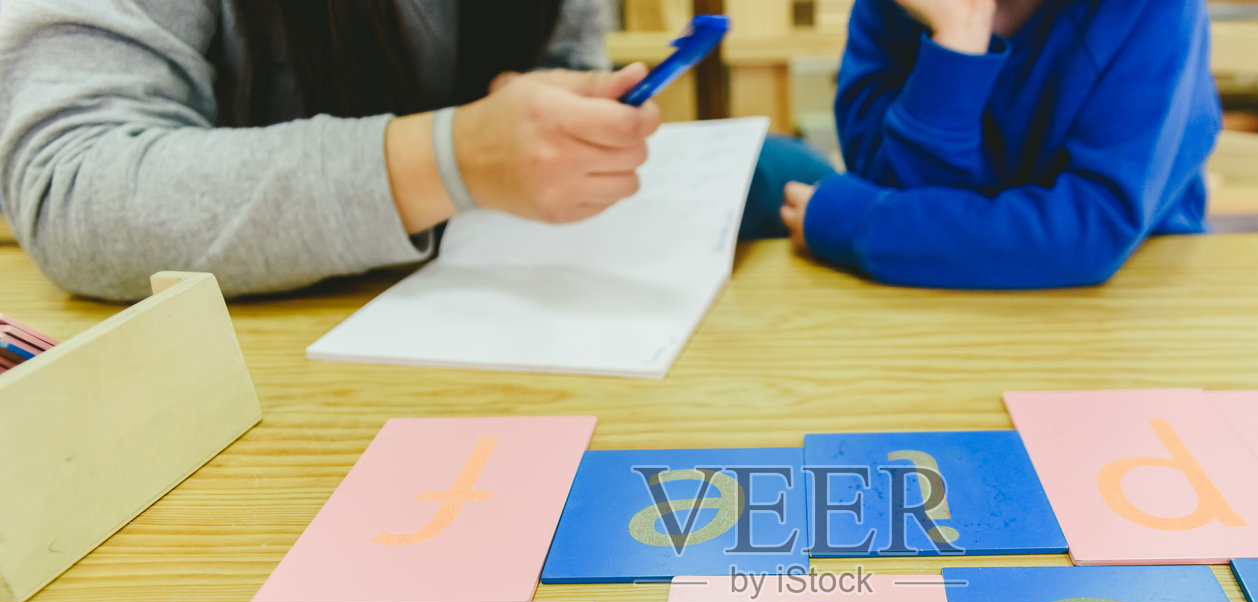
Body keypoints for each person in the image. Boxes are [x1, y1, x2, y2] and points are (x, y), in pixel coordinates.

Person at [0, 0, 830, 303]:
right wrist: (449, 158)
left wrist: (547, 106)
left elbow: (563, 50)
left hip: (497, 331)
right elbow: (70, 185)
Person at [779, 0, 1222, 289]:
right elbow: (900, 197)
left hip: (1132, 294)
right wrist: (958, 37)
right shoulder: (889, 9)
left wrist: (861, 226)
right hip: (921, 298)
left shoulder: (1155, 9)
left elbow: (1093, 229)